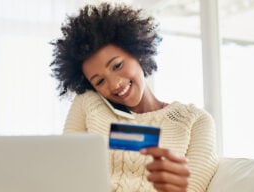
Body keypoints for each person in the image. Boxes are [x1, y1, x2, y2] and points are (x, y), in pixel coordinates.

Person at [50, 2, 218, 192]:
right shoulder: (88, 104)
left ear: (137, 52)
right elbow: (66, 174)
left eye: (117, 66)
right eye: (100, 82)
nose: (114, 84)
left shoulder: (195, 121)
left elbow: (192, 189)